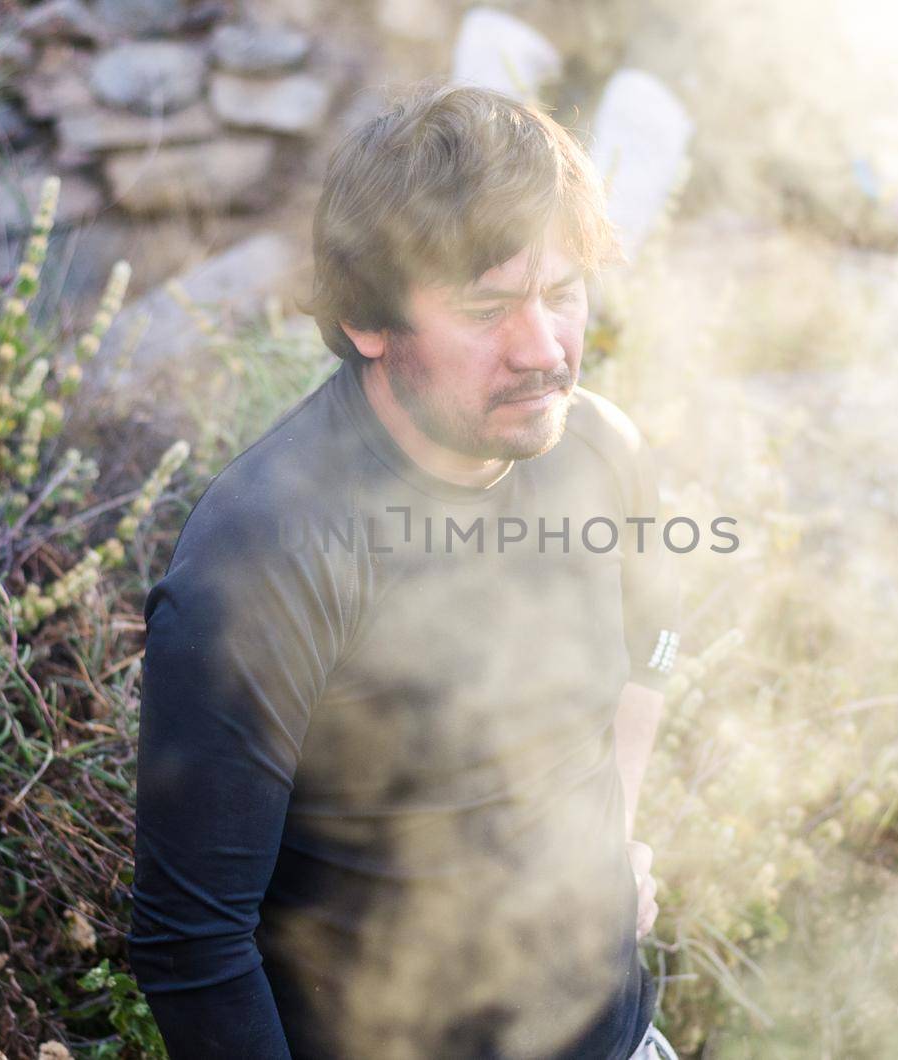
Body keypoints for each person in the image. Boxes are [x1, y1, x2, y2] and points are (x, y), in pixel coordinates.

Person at [127, 80, 683, 1060]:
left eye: (560, 293)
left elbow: (651, 655)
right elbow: (191, 947)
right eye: (487, 307)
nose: (544, 348)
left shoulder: (599, 452)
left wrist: (618, 847)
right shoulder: (264, 560)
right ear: (369, 321)